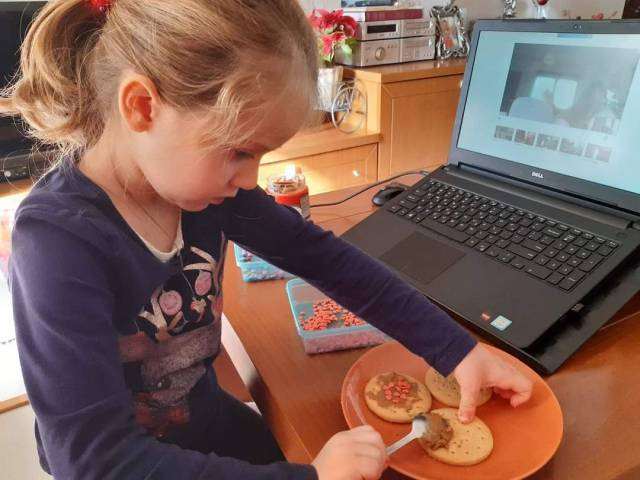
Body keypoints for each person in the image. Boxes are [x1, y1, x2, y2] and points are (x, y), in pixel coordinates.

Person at [0, 1, 532, 479]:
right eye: (239, 152)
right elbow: (96, 461)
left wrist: (456, 350)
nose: (252, 179)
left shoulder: (206, 190)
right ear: (142, 107)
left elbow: (327, 259)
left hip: (205, 421)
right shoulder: (57, 244)